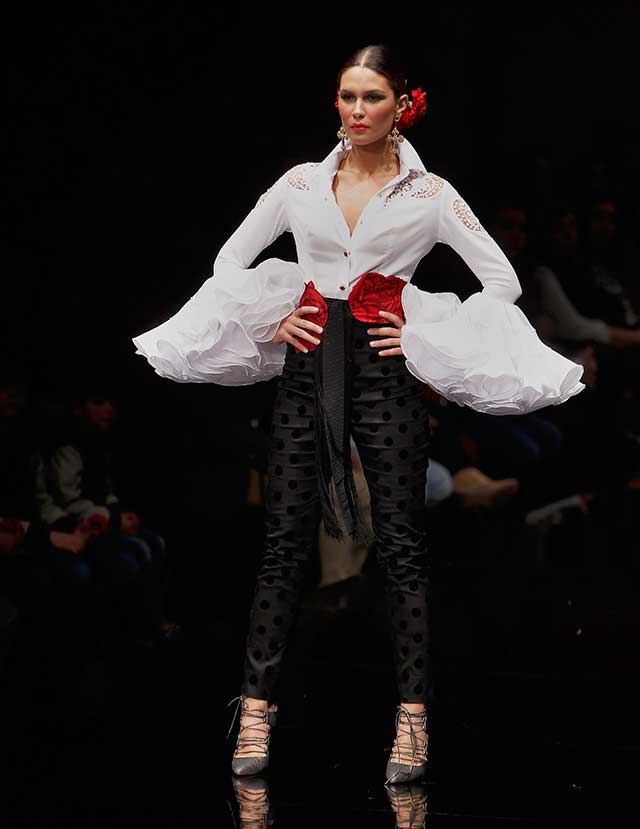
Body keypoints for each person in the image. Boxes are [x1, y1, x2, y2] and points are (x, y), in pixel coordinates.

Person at [132, 44, 586, 783]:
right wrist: (273, 318)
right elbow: (228, 263)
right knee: (283, 546)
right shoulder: (302, 183)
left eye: (372, 97)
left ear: (403, 104)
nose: (356, 109)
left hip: (383, 375)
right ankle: (256, 712)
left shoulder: (430, 194)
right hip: (308, 372)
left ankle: (412, 723)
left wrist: (422, 327)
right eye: (347, 96)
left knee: (402, 546)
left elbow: (500, 282)